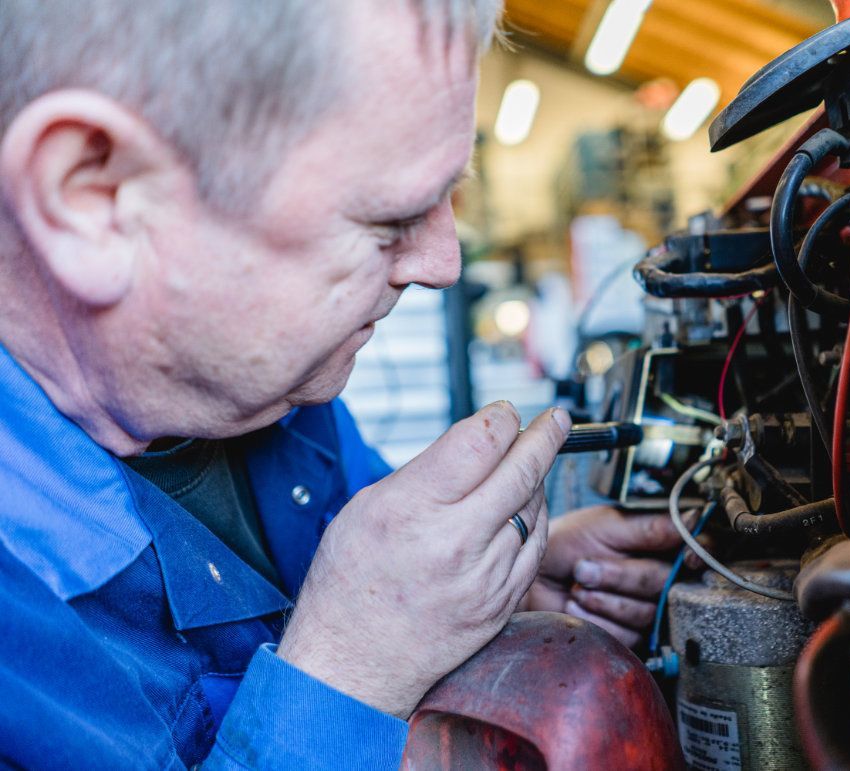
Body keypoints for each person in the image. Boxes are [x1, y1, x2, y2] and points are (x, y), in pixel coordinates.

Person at [0, 1, 690, 768]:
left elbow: (380, 574)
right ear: (92, 197)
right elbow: (364, 631)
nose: (443, 264)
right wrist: (351, 669)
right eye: (389, 219)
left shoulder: (271, 397)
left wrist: (493, 589)